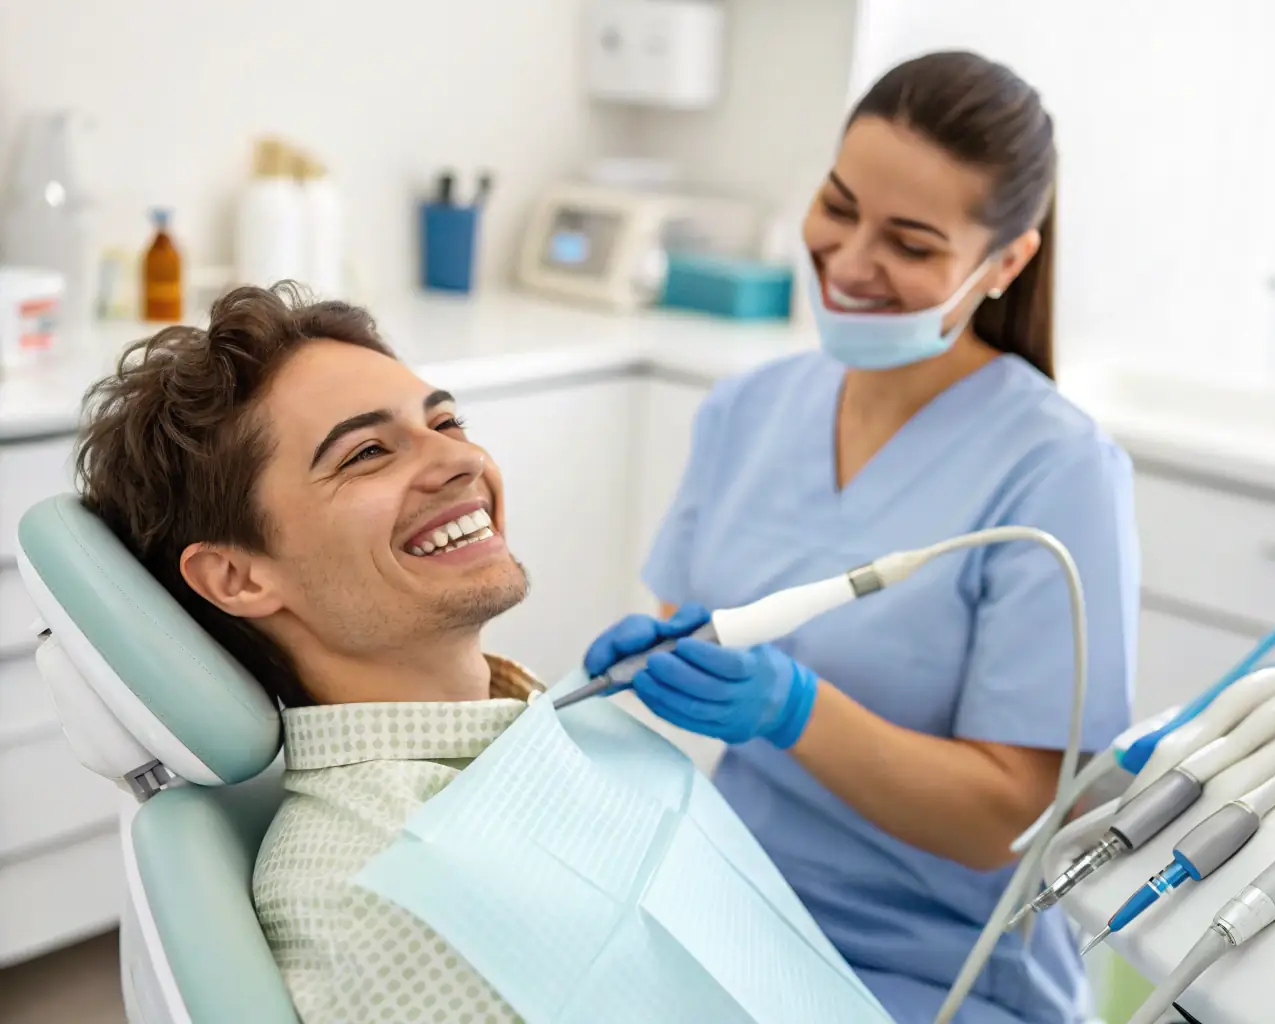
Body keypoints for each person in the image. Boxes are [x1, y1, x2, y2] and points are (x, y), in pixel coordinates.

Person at [585, 51, 1140, 1024]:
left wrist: (796, 708)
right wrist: (671, 659)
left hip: (935, 974)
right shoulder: (745, 410)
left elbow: (1012, 813)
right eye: (838, 207)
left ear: (1004, 262)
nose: (847, 262)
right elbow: (698, 626)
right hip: (732, 912)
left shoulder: (1057, 470)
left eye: (911, 243)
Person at [75, 285, 536, 1022]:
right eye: (368, 452)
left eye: (445, 420)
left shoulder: (524, 731)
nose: (460, 460)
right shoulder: (386, 900)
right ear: (238, 576)